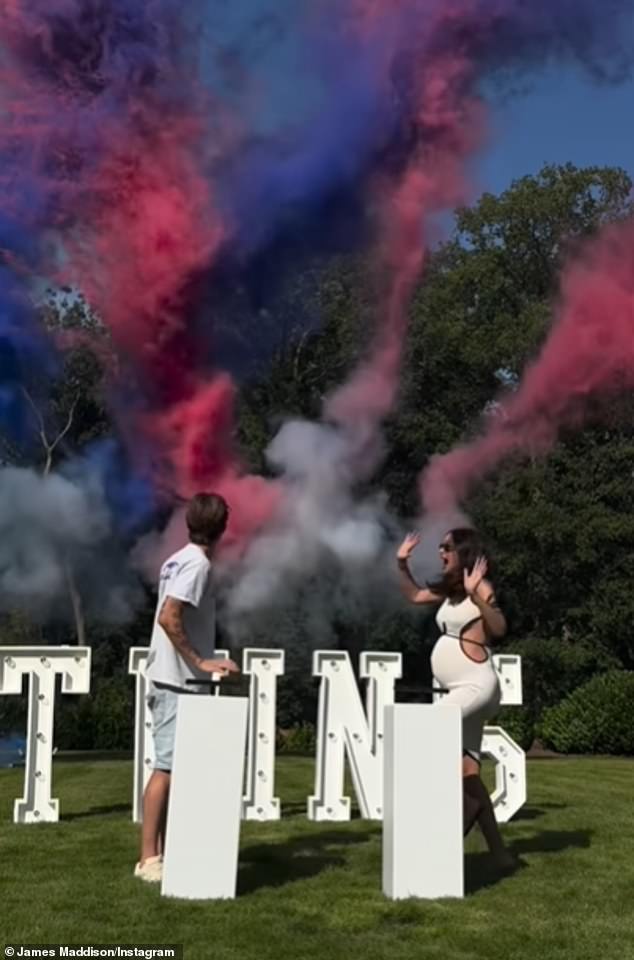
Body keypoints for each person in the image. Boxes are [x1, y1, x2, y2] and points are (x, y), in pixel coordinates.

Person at [397, 527, 517, 871]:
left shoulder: (479, 588)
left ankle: (439, 832)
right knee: (467, 772)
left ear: (462, 551)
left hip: (477, 687)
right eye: (440, 546)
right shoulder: (448, 593)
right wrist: (401, 563)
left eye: (446, 547)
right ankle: (500, 855)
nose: (440, 552)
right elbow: (415, 597)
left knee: (428, 733)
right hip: (458, 689)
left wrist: (476, 596)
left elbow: (499, 627)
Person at [134, 492, 240, 883]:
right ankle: (149, 859)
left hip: (173, 679)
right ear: (222, 527)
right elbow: (169, 616)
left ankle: (158, 853)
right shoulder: (197, 566)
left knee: (171, 766)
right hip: (177, 682)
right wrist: (200, 661)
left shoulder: (178, 558)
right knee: (167, 768)